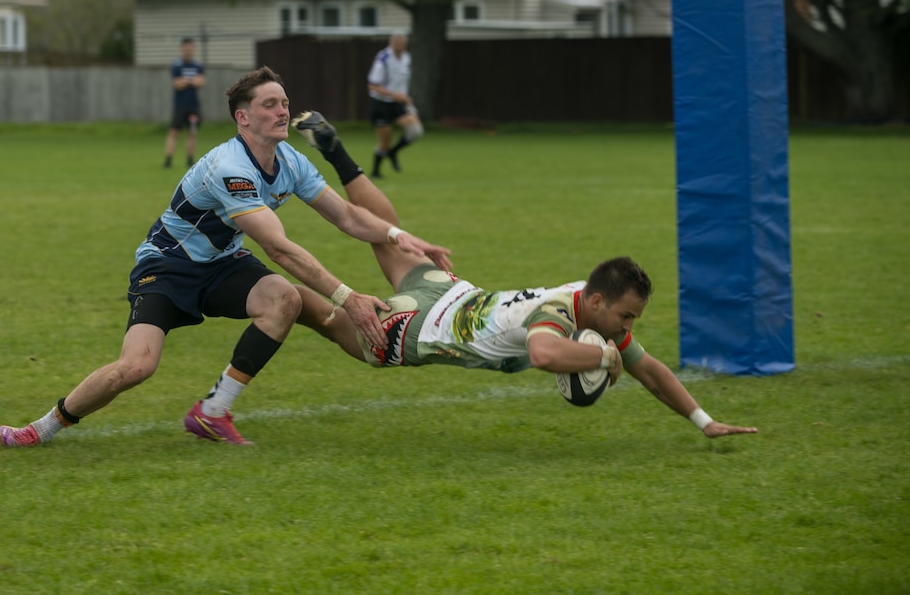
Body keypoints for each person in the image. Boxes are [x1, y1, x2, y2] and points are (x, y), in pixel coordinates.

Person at [0, 68, 453, 448]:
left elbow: (348, 217)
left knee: (284, 300)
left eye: (285, 103)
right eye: (270, 105)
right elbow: (278, 247)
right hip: (167, 266)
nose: (283, 111)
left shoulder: (291, 161)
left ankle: (213, 411)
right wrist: (348, 297)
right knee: (136, 367)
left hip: (222, 263)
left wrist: (402, 238)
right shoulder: (230, 168)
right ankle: (42, 428)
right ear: (243, 117)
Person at [290, 111, 759, 439]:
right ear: (598, 302)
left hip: (450, 291)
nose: (628, 327)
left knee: (389, 235)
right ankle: (275, 291)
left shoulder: (590, 302)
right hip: (419, 329)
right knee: (327, 322)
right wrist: (601, 357)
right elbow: (543, 353)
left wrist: (704, 421)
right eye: (627, 317)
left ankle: (336, 151)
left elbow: (650, 371)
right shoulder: (558, 313)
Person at [366, 33, 424, 178]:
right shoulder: (383, 58)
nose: (400, 47)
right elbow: (372, 86)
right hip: (381, 103)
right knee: (385, 141)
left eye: (402, 44)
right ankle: (375, 172)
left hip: (398, 103)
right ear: (392, 43)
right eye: (397, 44)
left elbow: (402, 82)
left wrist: (405, 97)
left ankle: (393, 152)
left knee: (416, 131)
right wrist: (393, 94)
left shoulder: (406, 57)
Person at [164, 38, 205, 168]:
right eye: (186, 48)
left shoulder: (197, 65)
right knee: (174, 132)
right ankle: (168, 160)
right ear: (182, 49)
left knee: (192, 133)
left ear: (193, 49)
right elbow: (177, 84)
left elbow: (201, 83)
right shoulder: (177, 65)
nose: (188, 51)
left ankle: (190, 159)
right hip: (180, 106)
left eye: (190, 48)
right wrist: (192, 81)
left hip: (193, 106)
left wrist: (186, 81)